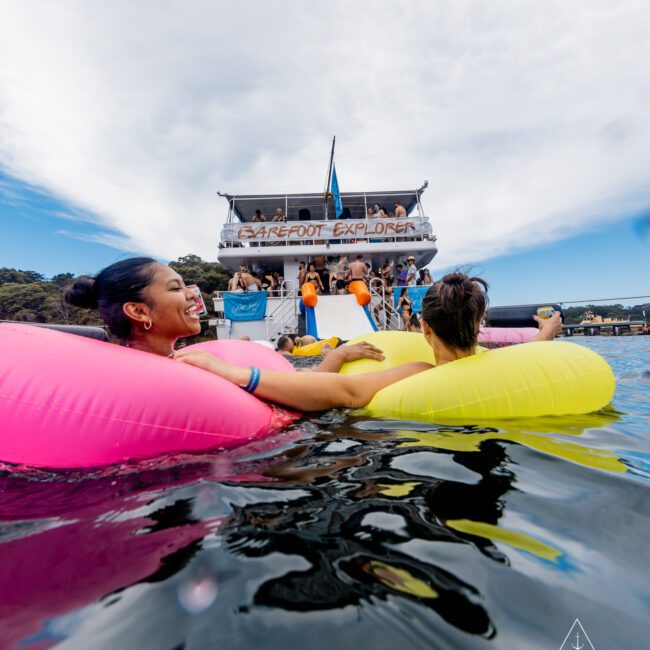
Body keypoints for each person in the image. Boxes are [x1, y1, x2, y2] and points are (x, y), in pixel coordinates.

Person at [175, 272, 563, 411]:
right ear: (480, 322)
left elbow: (341, 391)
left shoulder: (418, 372)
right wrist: (546, 332)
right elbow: (537, 354)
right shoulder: (506, 362)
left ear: (424, 328)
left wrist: (232, 372)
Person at [64, 258, 383, 372]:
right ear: (138, 311)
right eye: (176, 289)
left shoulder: (180, 361)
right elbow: (307, 395)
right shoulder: (175, 372)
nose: (192, 294)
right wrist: (338, 356)